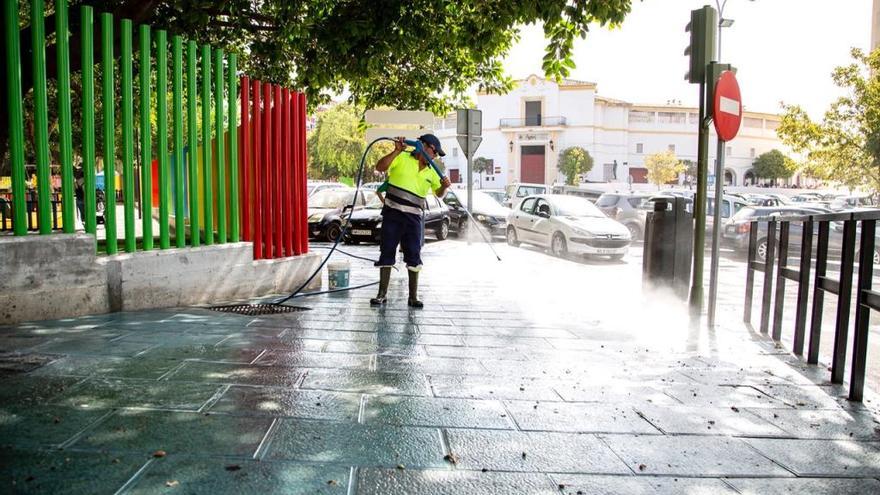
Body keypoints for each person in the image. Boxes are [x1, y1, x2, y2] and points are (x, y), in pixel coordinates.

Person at [371, 134, 451, 308]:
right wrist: (395, 151)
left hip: (414, 218)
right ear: (423, 146)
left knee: (414, 254)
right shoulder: (402, 157)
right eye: (435, 151)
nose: (435, 156)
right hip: (393, 215)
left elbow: (438, 193)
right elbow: (380, 167)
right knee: (387, 251)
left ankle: (413, 297)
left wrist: (444, 187)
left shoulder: (431, 170)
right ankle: (382, 294)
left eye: (437, 154)